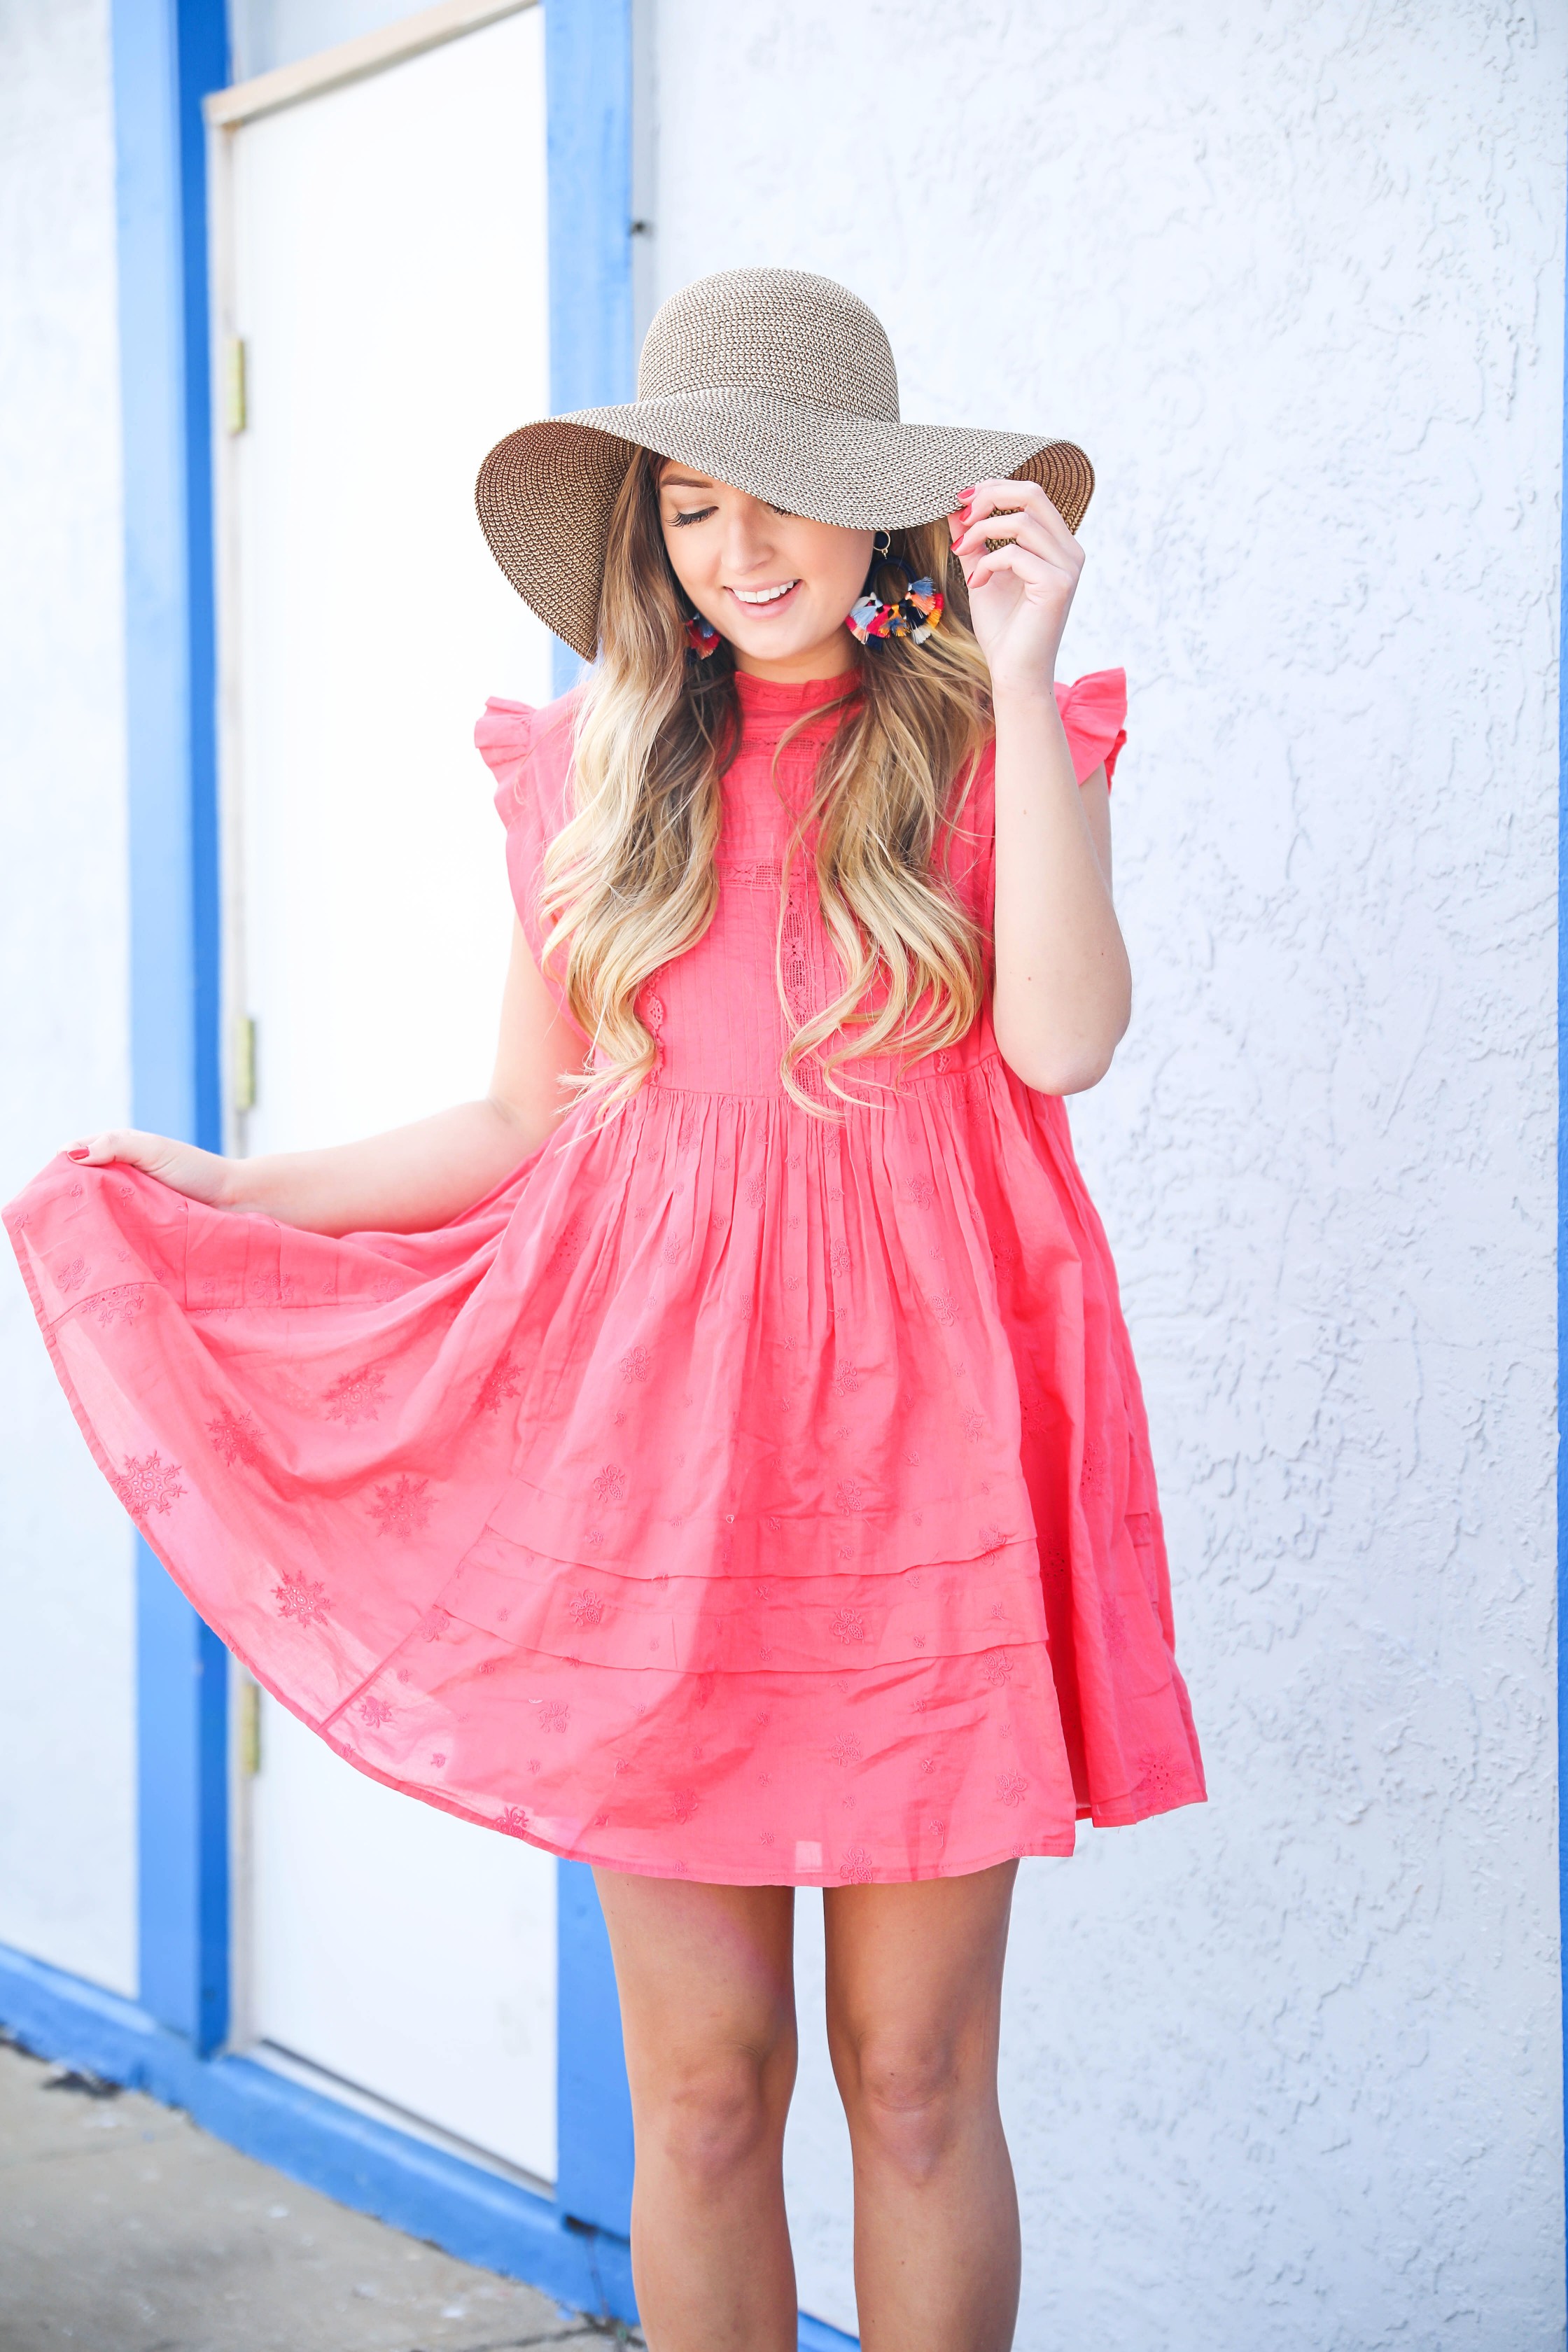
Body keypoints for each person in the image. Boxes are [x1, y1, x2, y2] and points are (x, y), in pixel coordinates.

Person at [6, 267, 1204, 2352]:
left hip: (930, 1462)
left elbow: (1070, 1046)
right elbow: (511, 1119)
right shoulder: (595, 770)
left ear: (885, 510)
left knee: (915, 2085)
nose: (739, 550)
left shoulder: (995, 739)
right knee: (707, 2086)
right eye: (689, 508)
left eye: (784, 496)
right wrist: (251, 1186)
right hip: (660, 1470)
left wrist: (1021, 670)